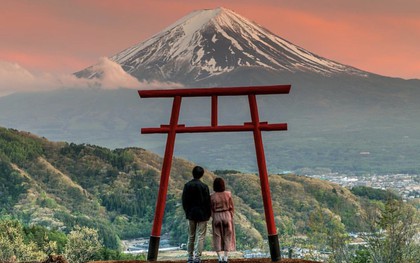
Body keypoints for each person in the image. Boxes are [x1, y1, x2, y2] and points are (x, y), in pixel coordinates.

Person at [182, 166, 211, 263]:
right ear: (202, 175)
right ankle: (197, 257)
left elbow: (184, 201)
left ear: (192, 173)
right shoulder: (204, 187)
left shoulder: (187, 185)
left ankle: (190, 257)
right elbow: (208, 202)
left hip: (191, 213)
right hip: (202, 214)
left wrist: (187, 212)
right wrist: (208, 214)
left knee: (191, 236)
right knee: (200, 236)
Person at [211, 177, 235, 263]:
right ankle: (225, 258)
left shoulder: (212, 196)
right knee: (227, 236)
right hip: (227, 215)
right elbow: (231, 207)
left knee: (217, 236)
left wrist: (213, 217)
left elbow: (211, 209)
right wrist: (230, 215)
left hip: (217, 215)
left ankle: (219, 258)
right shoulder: (228, 194)